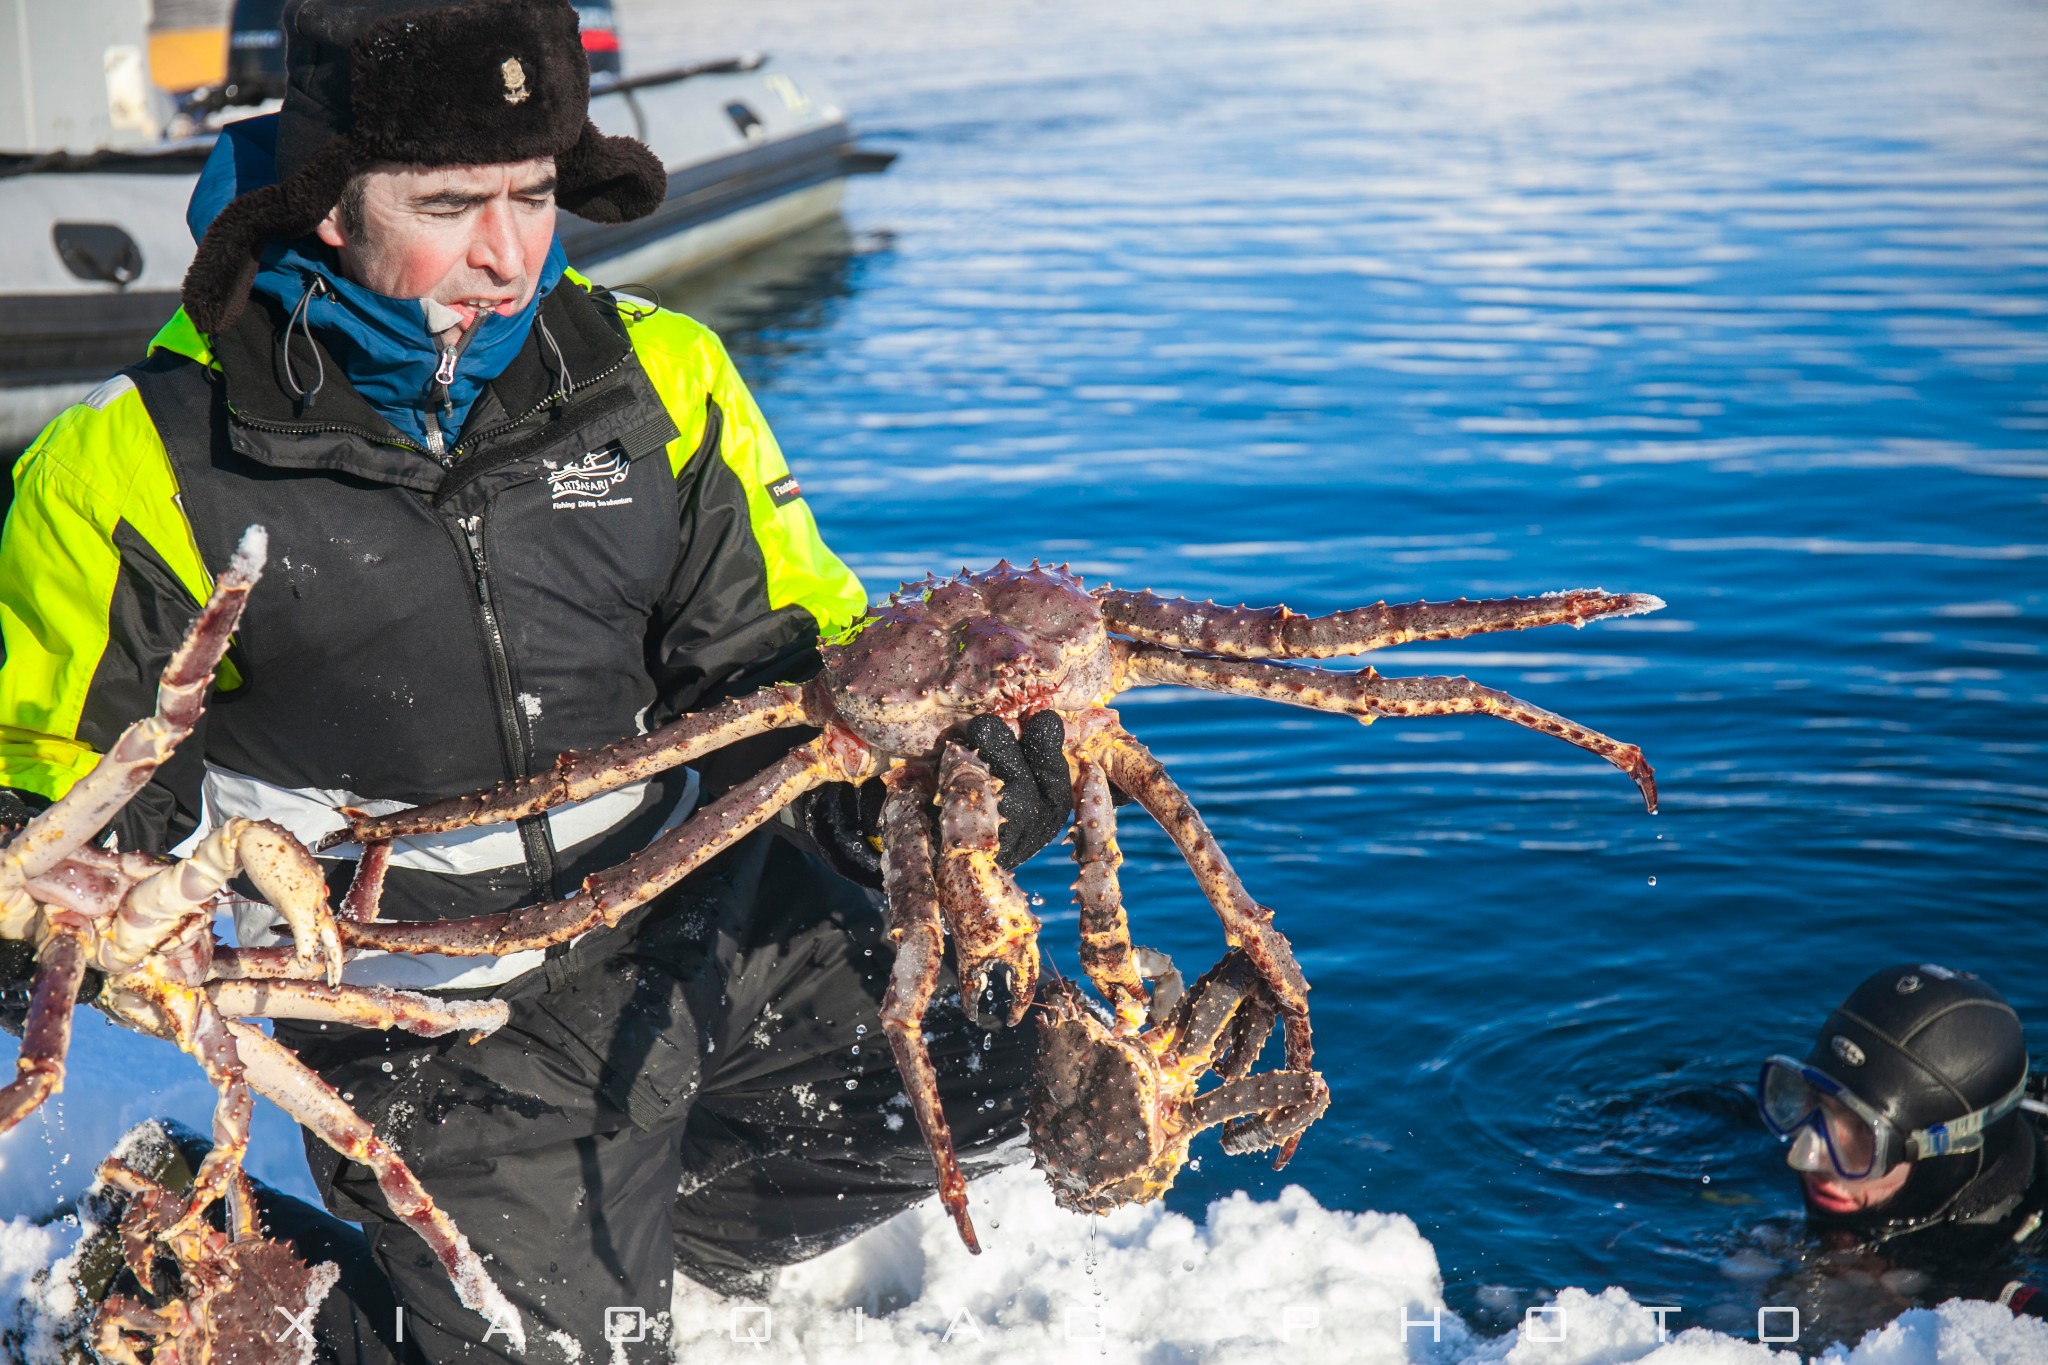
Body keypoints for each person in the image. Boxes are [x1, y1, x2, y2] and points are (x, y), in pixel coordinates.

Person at [0, 2, 1075, 1359]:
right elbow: (45, 797)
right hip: (435, 1012)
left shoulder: (664, 377)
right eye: (450, 204)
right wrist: (59, 906)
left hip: (698, 921)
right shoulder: (130, 468)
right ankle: (185, 1267)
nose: (506, 256)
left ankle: (651, 1215)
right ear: (326, 205)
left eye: (533, 194)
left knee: (1024, 1053)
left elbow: (788, 677)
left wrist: (931, 788)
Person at [1757, 962, 2048, 1322]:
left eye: (1863, 1135)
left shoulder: (1998, 1271)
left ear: (1947, 1153)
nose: (1803, 1156)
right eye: (1813, 1102)